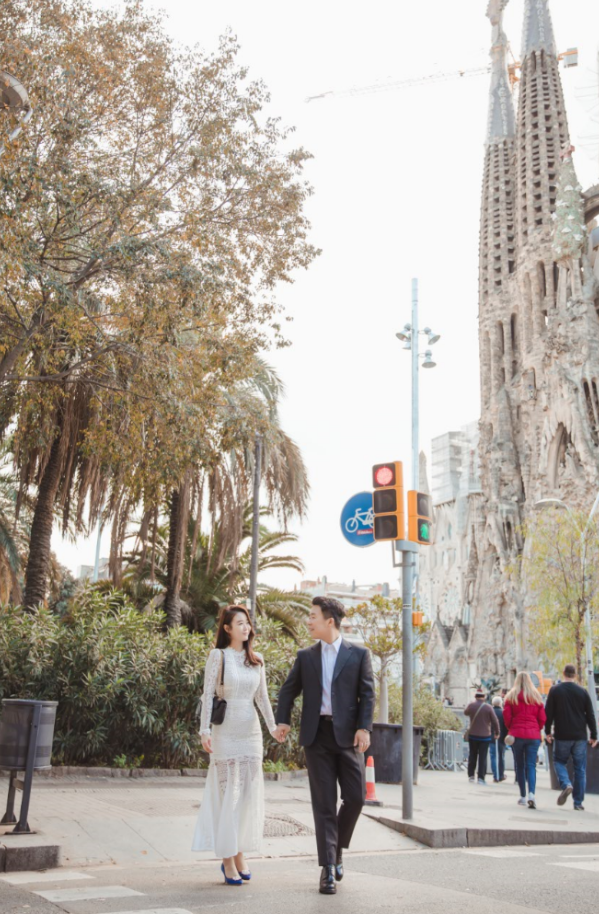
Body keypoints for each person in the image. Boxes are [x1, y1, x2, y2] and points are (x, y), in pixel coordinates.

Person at [273, 597, 375, 896]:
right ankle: (328, 867)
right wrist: (283, 720)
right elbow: (288, 690)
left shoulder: (359, 654)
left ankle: (336, 848)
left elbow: (368, 694)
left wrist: (364, 727)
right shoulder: (306, 656)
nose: (308, 621)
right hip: (316, 737)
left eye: (313, 616)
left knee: (356, 798)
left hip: (348, 738)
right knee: (324, 804)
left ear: (330, 621)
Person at [192, 605, 284, 885]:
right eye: (240, 623)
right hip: (225, 732)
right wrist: (204, 731)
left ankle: (240, 852)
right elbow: (208, 694)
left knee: (245, 797)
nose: (246, 627)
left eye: (248, 623)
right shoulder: (218, 656)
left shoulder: (257, 659)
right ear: (227, 628)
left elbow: (262, 698)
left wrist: (272, 727)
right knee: (227, 797)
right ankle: (227, 859)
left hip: (251, 732)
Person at [544, 663, 598, 811]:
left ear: (563, 673)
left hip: (562, 734)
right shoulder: (582, 692)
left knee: (559, 761)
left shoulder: (555, 690)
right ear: (574, 675)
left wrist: (547, 731)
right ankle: (578, 802)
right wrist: (594, 735)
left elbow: (548, 713)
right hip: (580, 736)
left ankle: (566, 784)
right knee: (580, 768)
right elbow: (590, 715)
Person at [503, 671, 546, 809]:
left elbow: (507, 716)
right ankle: (531, 794)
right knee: (531, 765)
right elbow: (542, 718)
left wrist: (512, 727)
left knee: (520, 765)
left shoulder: (511, 696)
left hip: (517, 735)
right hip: (533, 736)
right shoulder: (536, 697)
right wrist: (536, 728)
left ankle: (522, 796)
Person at [464, 689, 500, 784]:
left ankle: (471, 776)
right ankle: (481, 777)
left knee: (472, 755)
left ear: (475, 697)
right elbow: (495, 721)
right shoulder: (488, 707)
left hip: (473, 735)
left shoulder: (471, 705)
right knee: (483, 757)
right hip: (485, 736)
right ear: (484, 697)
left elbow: (465, 712)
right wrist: (497, 732)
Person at [489, 695, 508, 782]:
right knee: (501, 756)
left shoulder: (490, 712)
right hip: (502, 738)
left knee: (493, 756)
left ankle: (495, 775)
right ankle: (500, 775)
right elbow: (506, 726)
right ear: (500, 703)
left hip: (491, 737)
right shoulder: (503, 713)